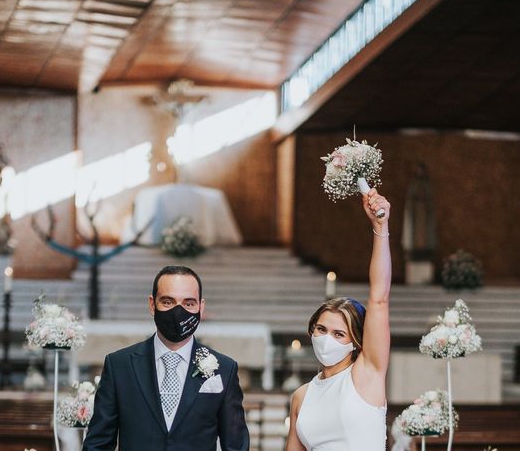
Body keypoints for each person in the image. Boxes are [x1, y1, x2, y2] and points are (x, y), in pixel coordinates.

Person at [83, 265, 250, 451]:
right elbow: (98, 444)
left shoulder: (224, 370)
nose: (178, 312)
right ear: (152, 305)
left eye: (188, 303)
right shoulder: (119, 366)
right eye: (168, 302)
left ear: (201, 308)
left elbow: (236, 446)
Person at [286, 188, 391, 451]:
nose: (326, 339)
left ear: (356, 341)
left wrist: (380, 227)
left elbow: (379, 298)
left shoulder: (367, 374)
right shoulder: (301, 396)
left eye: (339, 333)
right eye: (321, 329)